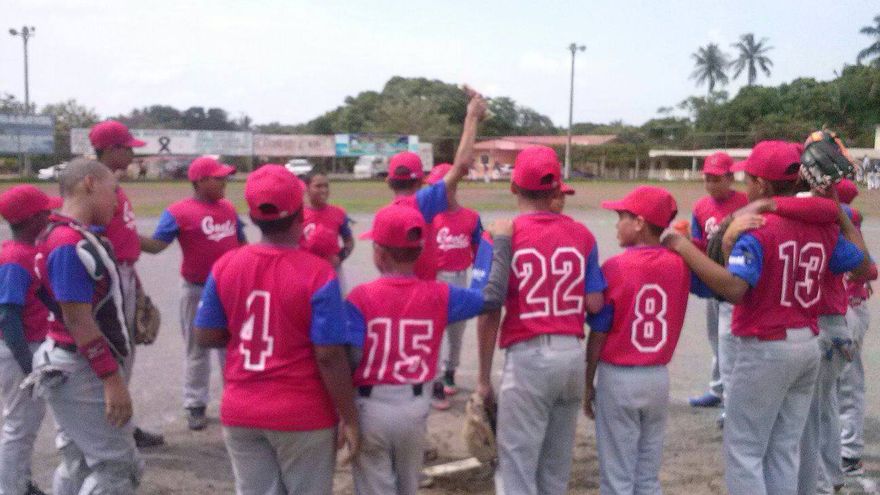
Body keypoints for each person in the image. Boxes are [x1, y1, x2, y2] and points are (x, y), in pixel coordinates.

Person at [661, 141, 871, 495]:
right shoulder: (821, 225)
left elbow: (734, 289)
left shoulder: (756, 225)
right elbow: (864, 268)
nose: (746, 187)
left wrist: (682, 247)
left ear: (762, 184)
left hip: (765, 346)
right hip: (807, 343)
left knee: (744, 450)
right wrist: (837, 213)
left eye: (749, 180)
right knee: (783, 449)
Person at [193, 164, 358, 495]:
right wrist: (350, 416)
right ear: (301, 214)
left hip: (241, 409)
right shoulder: (318, 273)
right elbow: (329, 355)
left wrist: (244, 330)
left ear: (252, 218)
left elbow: (206, 335)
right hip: (303, 411)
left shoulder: (226, 265)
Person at [346, 204, 511, 495]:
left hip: (371, 408)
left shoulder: (360, 297)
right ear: (420, 251)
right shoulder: (439, 294)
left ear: (379, 253)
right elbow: (493, 297)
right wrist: (501, 243)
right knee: (408, 487)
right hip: (415, 410)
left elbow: (350, 359)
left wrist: (344, 415)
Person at [472, 145, 606, 495]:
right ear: (557, 189)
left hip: (529, 358)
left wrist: (483, 379)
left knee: (516, 469)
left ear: (513, 187)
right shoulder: (582, 235)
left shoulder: (500, 235)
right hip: (571, 356)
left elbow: (488, 311)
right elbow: (595, 303)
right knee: (555, 470)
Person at [584, 186, 710, 495]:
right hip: (657, 378)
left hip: (619, 378)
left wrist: (588, 382)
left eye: (622, 217)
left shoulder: (615, 267)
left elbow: (599, 332)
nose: (617, 224)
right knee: (647, 476)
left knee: (617, 477)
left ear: (640, 223)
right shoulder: (680, 265)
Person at [32, 158, 142, 494]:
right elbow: (77, 318)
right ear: (90, 184)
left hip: (69, 363)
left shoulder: (68, 234)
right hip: (81, 368)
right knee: (117, 468)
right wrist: (111, 379)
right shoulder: (68, 243)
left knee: (78, 462)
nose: (117, 203)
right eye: (113, 191)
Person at [140, 156, 246, 430]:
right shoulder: (178, 212)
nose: (224, 182)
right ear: (199, 181)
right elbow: (156, 246)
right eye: (218, 178)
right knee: (197, 347)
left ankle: (236, 400)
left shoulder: (228, 208)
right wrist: (122, 234)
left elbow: (242, 243)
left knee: (231, 347)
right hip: (197, 289)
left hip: (229, 289)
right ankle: (195, 403)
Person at [89, 119, 165, 448]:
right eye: (128, 148)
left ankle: (121, 423)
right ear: (111, 149)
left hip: (125, 273)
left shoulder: (112, 184)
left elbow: (125, 234)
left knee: (126, 349)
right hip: (110, 276)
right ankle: (111, 427)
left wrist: (155, 248)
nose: (133, 154)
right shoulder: (94, 185)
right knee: (116, 350)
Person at [797, 177, 876, 494]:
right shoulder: (838, 219)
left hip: (835, 318)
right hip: (839, 317)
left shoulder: (835, 220)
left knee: (822, 405)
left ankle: (827, 475)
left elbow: (868, 269)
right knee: (828, 401)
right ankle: (833, 473)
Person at [384, 88, 487, 281]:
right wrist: (472, 117)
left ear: (388, 182)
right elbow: (461, 165)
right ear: (420, 181)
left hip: (397, 291)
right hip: (426, 291)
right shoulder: (421, 205)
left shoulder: (384, 216)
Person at [0, 186, 61, 495]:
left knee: (26, 423)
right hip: (17, 350)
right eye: (45, 212)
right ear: (32, 219)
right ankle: (11, 488)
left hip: (26, 346)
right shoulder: (15, 258)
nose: (50, 216)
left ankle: (19, 482)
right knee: (19, 427)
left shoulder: (25, 252)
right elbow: (8, 317)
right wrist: (29, 367)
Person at [688, 152, 749, 410]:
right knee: (716, 337)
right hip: (712, 279)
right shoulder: (700, 207)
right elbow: (699, 243)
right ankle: (717, 388)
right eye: (707, 179)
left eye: (717, 179)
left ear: (730, 177)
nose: (711, 184)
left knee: (729, 341)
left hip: (736, 280)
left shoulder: (745, 203)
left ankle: (730, 400)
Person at [423, 163, 483, 409]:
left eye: (440, 186)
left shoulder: (471, 217)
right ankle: (436, 382)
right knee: (435, 332)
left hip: (460, 278)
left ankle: (450, 372)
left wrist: (480, 283)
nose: (435, 192)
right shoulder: (429, 217)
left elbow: (480, 253)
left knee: (457, 332)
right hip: (435, 278)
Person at [836, 179, 873, 476]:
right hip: (844, 309)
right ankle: (842, 447)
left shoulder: (847, 220)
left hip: (849, 310)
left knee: (847, 383)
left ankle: (849, 452)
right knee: (836, 383)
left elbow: (869, 269)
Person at [302, 171, 354, 269]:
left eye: (326, 186)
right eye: (318, 186)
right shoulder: (298, 215)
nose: (324, 190)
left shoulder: (338, 213)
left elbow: (349, 241)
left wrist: (340, 257)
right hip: (305, 269)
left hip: (332, 270)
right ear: (307, 188)